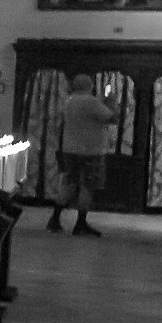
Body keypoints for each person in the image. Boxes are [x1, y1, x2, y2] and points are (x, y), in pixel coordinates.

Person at [48, 74, 116, 234]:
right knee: (87, 186)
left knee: (68, 183)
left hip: (69, 149)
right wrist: (110, 101)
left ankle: (55, 219)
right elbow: (112, 118)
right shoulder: (91, 102)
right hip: (90, 150)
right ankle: (80, 223)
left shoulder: (69, 101)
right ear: (90, 85)